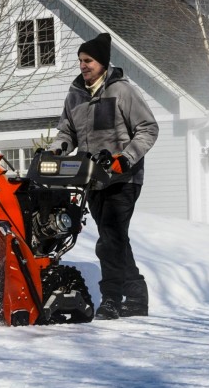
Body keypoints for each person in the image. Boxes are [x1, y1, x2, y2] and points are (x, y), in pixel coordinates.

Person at [53, 32, 159, 320]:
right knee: (113, 238)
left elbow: (148, 129)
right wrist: (58, 150)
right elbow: (67, 132)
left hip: (123, 178)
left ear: (102, 62)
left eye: (88, 61)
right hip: (92, 179)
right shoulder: (75, 94)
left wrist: (125, 158)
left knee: (109, 237)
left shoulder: (121, 91)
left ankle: (111, 298)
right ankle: (136, 295)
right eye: (80, 61)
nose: (83, 66)